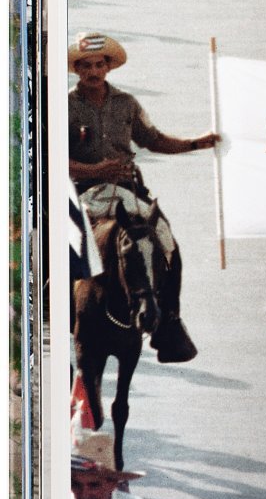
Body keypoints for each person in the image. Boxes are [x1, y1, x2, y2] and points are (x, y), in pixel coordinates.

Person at [69, 32, 217, 362]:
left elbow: (153, 140)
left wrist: (196, 143)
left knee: (165, 238)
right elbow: (51, 157)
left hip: (127, 189)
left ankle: (170, 322)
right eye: (86, 66)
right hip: (81, 191)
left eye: (99, 64)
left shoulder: (127, 104)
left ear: (108, 66)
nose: (93, 72)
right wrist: (96, 169)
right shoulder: (64, 105)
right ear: (76, 70)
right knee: (65, 242)